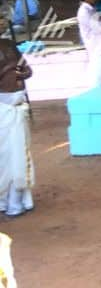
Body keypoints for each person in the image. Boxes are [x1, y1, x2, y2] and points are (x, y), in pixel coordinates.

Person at [0, 22, 34, 217]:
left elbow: (28, 70)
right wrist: (8, 70)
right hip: (2, 107)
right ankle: (5, 201)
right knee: (5, 156)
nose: (3, 22)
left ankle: (16, 201)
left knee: (18, 155)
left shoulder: (9, 44)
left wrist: (18, 71)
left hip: (16, 105)